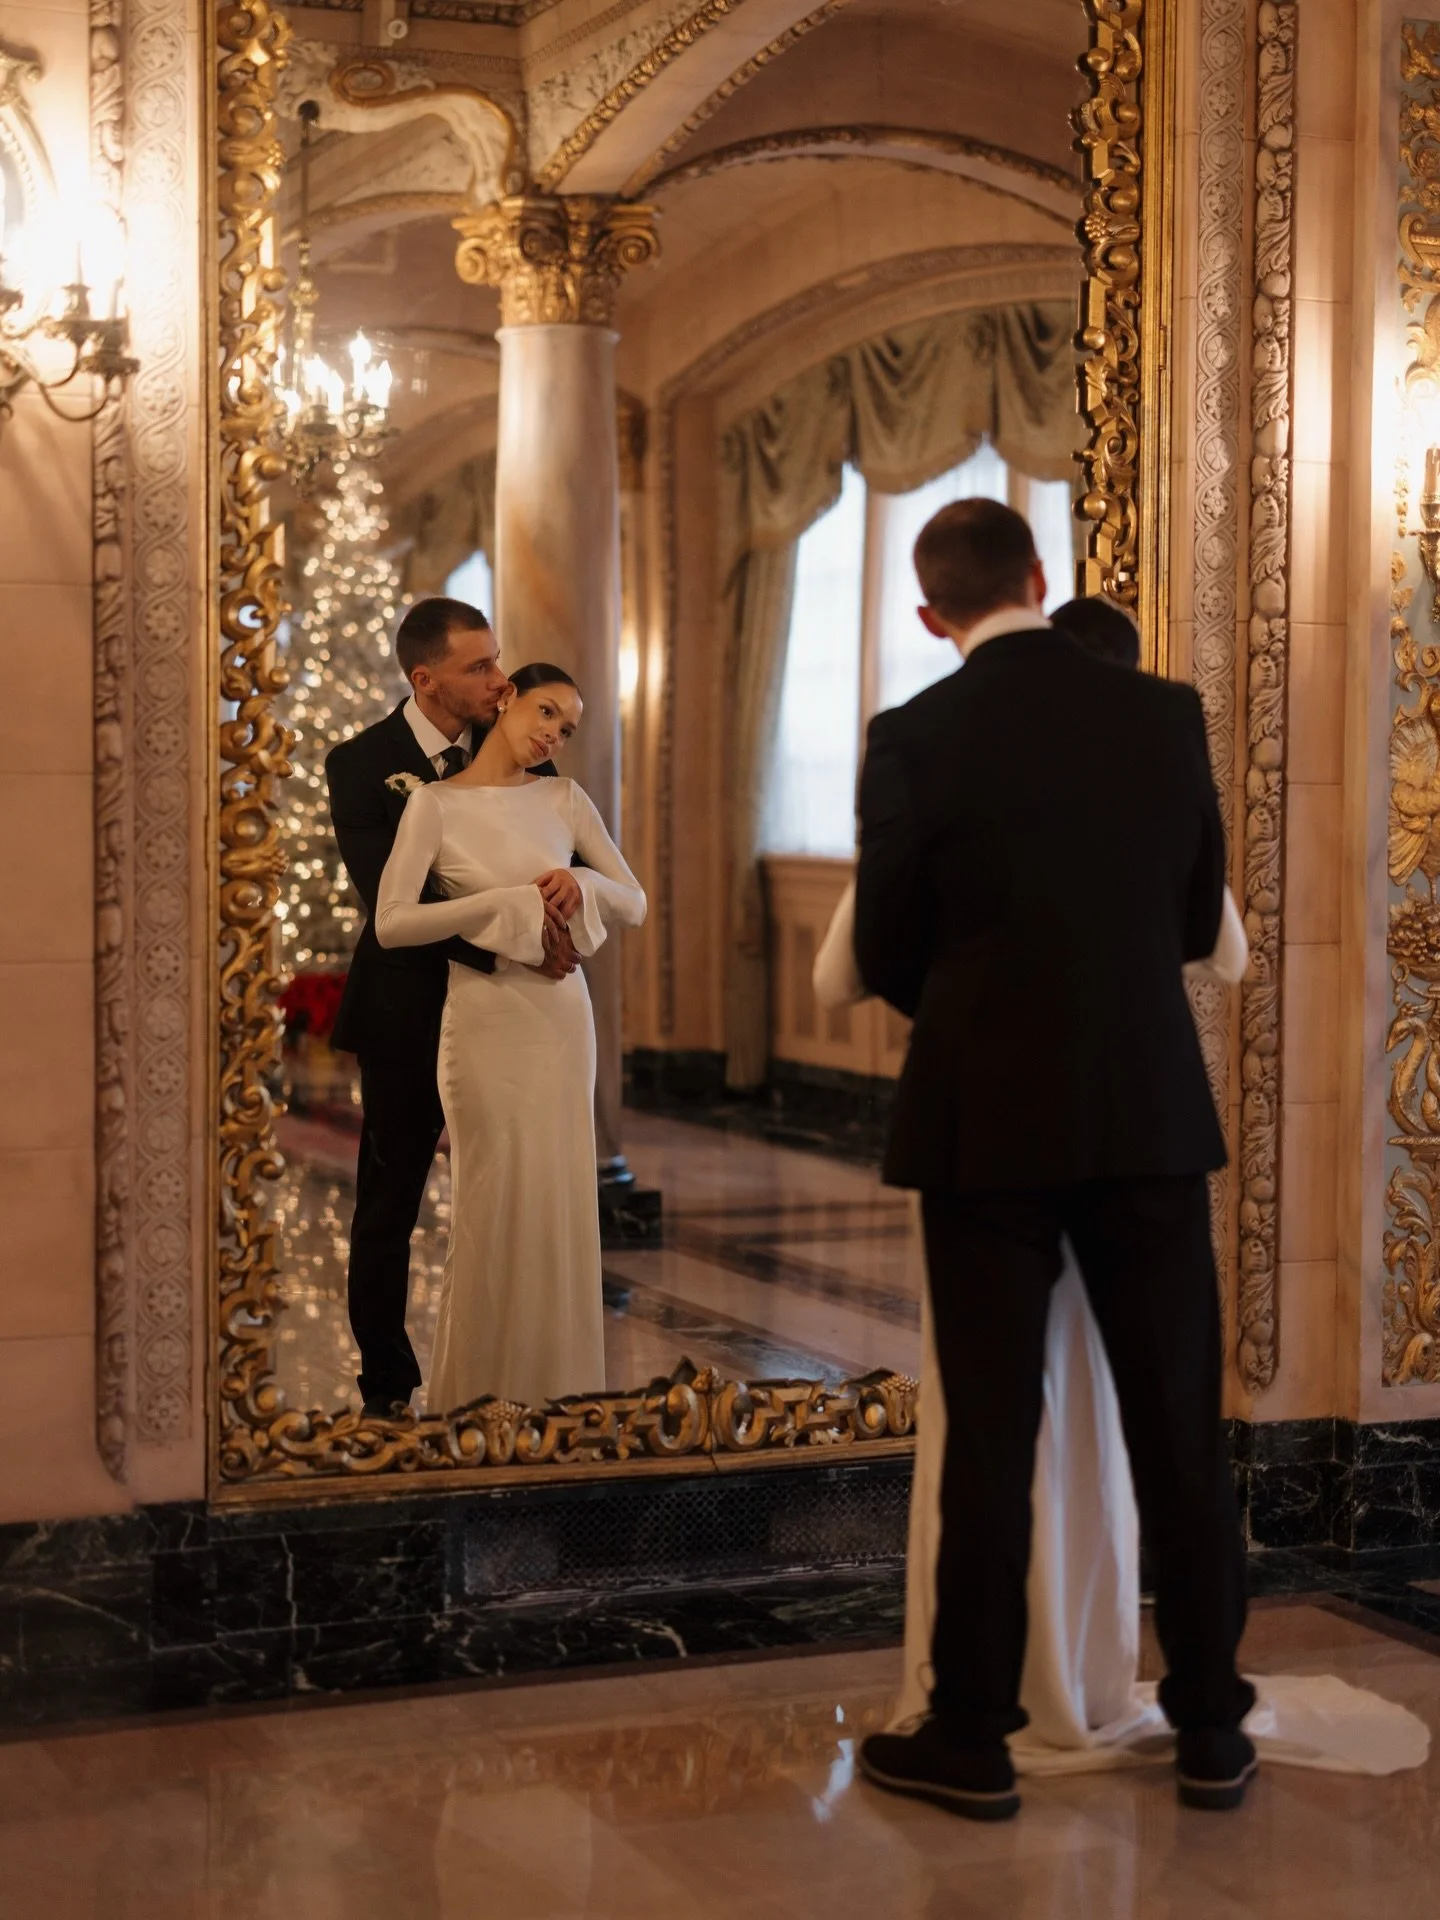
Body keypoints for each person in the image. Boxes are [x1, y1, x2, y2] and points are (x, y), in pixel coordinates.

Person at [850, 501, 1257, 1819]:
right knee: (1178, 1429)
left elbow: (887, 946)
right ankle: (1209, 1729)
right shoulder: (1163, 714)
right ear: (1042, 578)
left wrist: (979, 1014)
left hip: (982, 1122)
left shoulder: (913, 735)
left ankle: (972, 1736)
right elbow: (1199, 919)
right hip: (1145, 1112)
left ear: (932, 616)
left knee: (990, 1432)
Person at [326, 599, 576, 1420]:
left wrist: (557, 927)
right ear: (425, 679)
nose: (501, 680)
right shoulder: (361, 765)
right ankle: (388, 1386)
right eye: (479, 667)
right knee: (390, 1201)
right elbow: (391, 905)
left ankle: (511, 1366)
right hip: (408, 1010)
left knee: (511, 1186)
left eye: (498, 659)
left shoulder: (517, 752)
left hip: (509, 1013)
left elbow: (551, 856)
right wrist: (514, 943)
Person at [373, 663, 646, 1411]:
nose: (552, 733)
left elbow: (635, 900)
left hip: (560, 1017)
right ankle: (482, 1399)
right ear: (505, 700)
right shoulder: (432, 805)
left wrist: (580, 885)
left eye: (566, 727)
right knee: (493, 1199)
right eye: (545, 712)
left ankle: (562, 1399)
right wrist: (498, 904)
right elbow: (392, 924)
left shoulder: (563, 797)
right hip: (485, 1020)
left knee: (561, 1195)